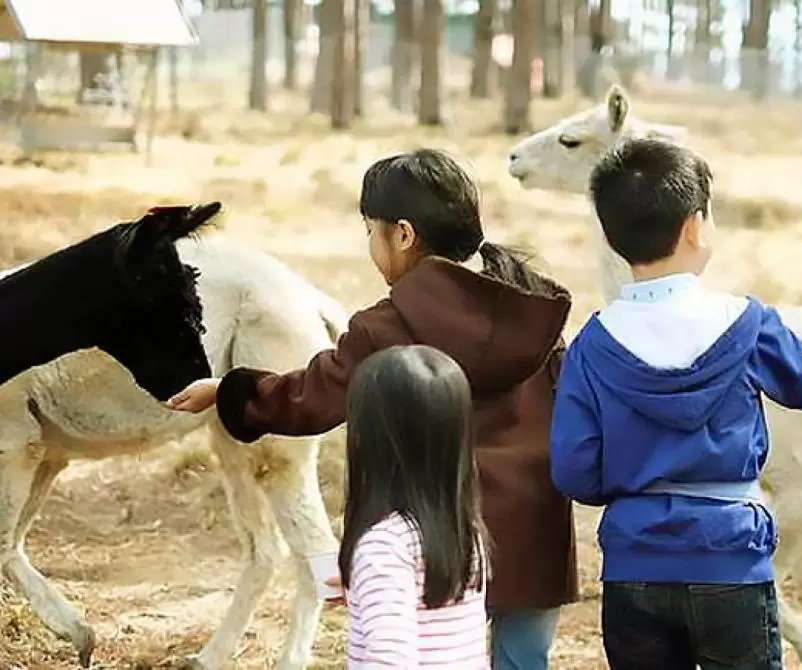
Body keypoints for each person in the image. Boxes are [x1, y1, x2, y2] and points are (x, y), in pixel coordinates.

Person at [168, 148, 579, 670]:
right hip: (532, 528)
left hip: (434, 533)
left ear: (403, 235)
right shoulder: (532, 304)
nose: (370, 244)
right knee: (524, 661)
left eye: (371, 229)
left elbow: (310, 397)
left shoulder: (387, 327)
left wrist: (230, 391)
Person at [549, 138, 802, 670]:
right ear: (694, 227)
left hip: (633, 568)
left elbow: (575, 472)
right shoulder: (746, 323)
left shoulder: (593, 344)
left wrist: (640, 485)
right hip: (731, 561)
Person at [337, 344, 489, 668]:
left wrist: (374, 573)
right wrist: (365, 589)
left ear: (369, 441)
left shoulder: (383, 547)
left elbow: (391, 661)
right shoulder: (463, 528)